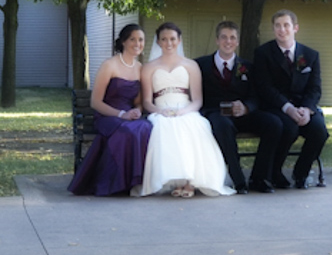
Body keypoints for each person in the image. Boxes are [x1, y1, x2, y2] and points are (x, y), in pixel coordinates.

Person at [136, 22, 235, 197]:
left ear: (179, 40)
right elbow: (146, 102)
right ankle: (177, 180)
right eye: (164, 39)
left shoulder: (191, 65)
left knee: (195, 125)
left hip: (186, 109)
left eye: (173, 39)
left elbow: (197, 100)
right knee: (162, 127)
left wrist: (184, 111)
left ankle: (190, 182)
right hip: (161, 111)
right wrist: (160, 112)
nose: (169, 43)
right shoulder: (149, 68)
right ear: (158, 42)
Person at [195, 21, 283, 194]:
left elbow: (255, 96)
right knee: (223, 126)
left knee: (274, 124)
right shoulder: (200, 65)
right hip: (216, 113)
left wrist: (246, 107)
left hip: (242, 114)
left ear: (237, 42)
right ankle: (238, 179)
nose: (228, 41)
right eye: (224, 37)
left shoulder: (248, 67)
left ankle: (259, 177)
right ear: (217, 40)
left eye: (232, 38)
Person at [69, 24, 153, 196]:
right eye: (133, 39)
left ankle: (137, 181)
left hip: (129, 116)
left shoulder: (140, 69)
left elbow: (137, 102)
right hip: (107, 115)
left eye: (141, 40)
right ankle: (117, 183)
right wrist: (122, 114)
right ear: (123, 42)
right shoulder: (109, 65)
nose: (137, 43)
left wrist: (137, 110)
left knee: (146, 127)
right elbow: (95, 102)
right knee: (127, 130)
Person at [253, 9, 328, 189]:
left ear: (295, 28)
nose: (282, 30)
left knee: (319, 131)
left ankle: (301, 173)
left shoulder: (310, 55)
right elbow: (264, 87)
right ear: (273, 29)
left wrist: (307, 110)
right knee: (289, 128)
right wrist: (288, 108)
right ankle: (274, 172)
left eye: (286, 25)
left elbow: (315, 88)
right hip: (277, 106)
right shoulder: (263, 53)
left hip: (304, 107)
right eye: (277, 26)